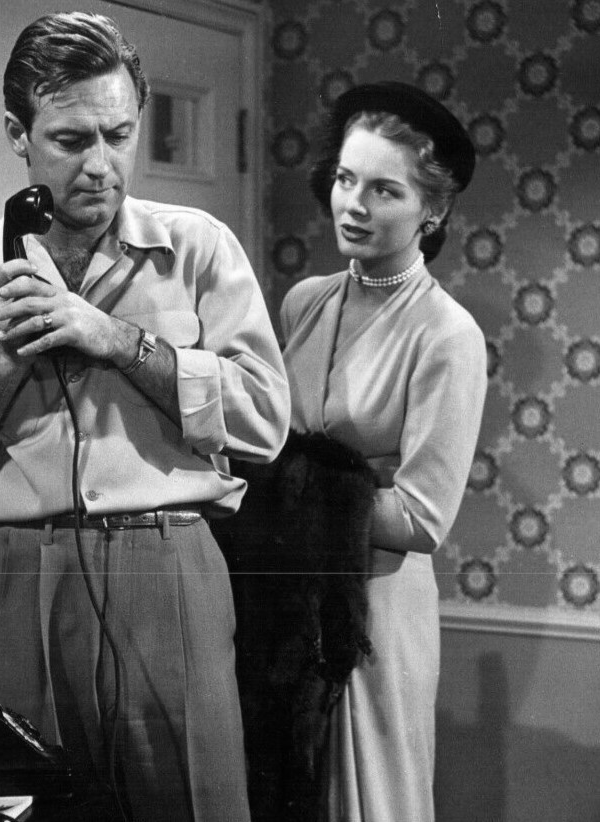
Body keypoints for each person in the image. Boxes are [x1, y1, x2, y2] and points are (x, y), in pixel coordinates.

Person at [0, 12, 288, 822]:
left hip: (167, 566)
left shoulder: (199, 249)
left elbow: (266, 422)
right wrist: (6, 360)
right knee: (30, 811)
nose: (100, 166)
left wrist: (118, 341)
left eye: (118, 135)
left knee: (193, 804)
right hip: (14, 577)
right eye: (70, 140)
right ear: (17, 135)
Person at [223, 81, 486, 821]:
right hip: (287, 601)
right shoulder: (304, 301)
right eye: (345, 179)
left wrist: (287, 494)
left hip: (374, 609)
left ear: (433, 211)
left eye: (383, 190)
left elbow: (422, 519)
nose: (354, 205)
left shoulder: (447, 335)